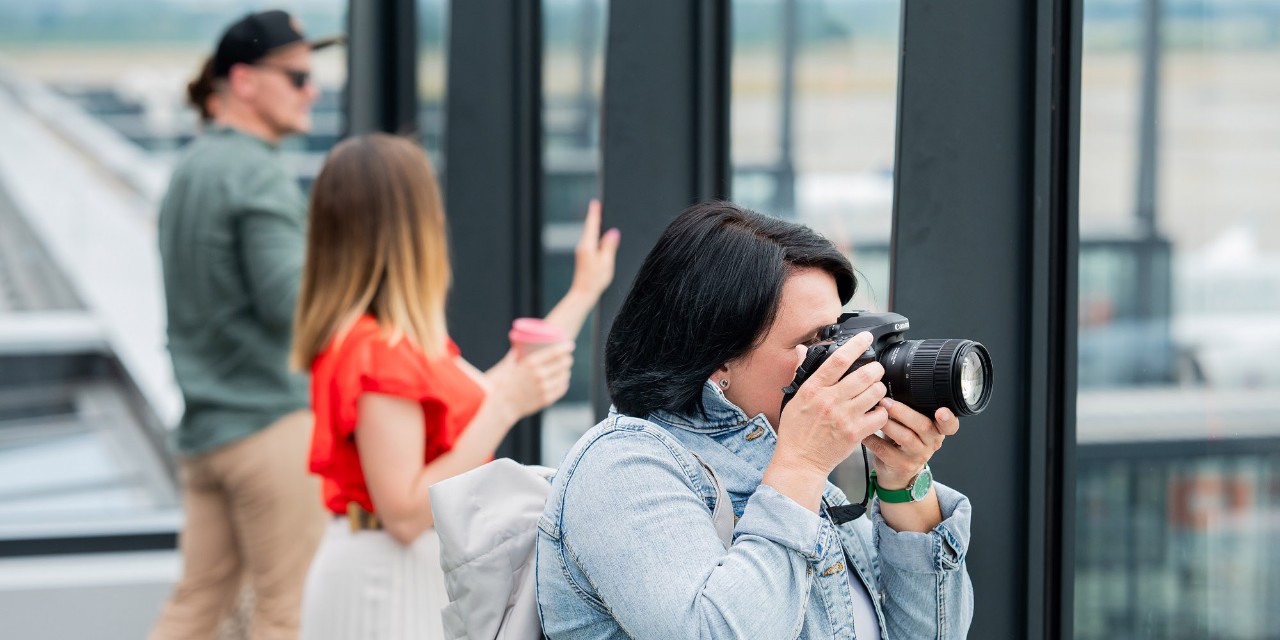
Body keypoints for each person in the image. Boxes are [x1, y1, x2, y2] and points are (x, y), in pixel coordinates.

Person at [536, 201, 974, 638]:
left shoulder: (794, 469)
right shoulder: (621, 468)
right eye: (816, 342)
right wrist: (802, 466)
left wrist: (903, 483)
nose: (842, 358)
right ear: (716, 361)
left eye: (839, 333)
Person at [291, 134, 620, 640]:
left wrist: (582, 292)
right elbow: (402, 511)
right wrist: (506, 406)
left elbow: (493, 391)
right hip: (388, 583)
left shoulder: (381, 340)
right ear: (409, 225)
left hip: (394, 575)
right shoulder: (379, 352)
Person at [151, 10, 341, 639]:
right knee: (287, 613)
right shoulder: (256, 174)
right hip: (270, 430)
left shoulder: (190, 169)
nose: (312, 90)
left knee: (195, 606)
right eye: (296, 77)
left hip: (207, 432)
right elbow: (295, 307)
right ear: (244, 80)